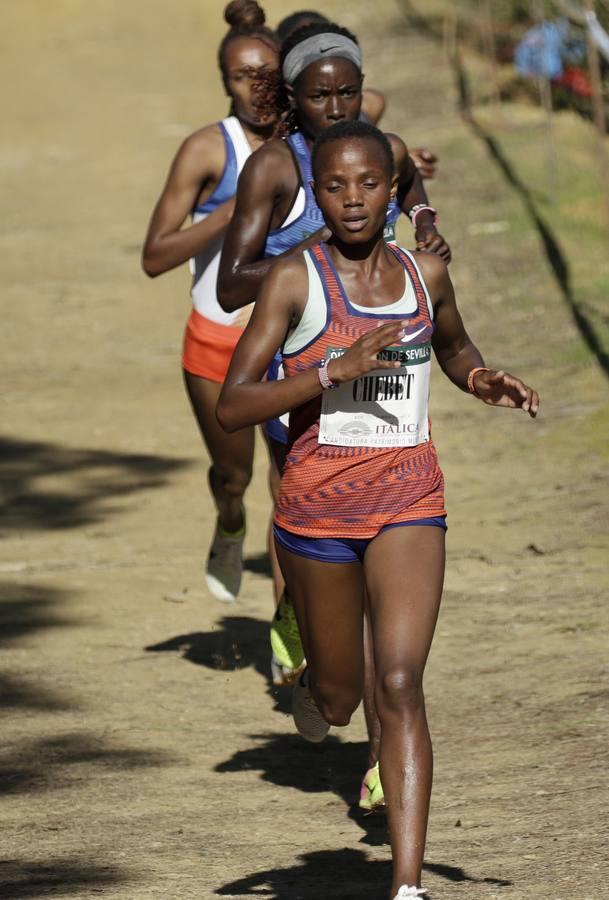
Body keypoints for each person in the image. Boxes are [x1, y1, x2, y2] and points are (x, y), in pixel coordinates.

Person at [217, 120, 539, 899]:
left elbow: (454, 345)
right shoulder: (294, 279)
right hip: (318, 511)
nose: (353, 199)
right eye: (334, 185)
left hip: (407, 497)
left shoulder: (424, 274)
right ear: (316, 195)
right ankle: (311, 684)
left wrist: (479, 378)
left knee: (397, 683)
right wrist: (332, 369)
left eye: (369, 183)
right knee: (340, 697)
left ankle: (405, 886)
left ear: (393, 192)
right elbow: (234, 406)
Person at [216, 15, 450, 778]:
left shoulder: (369, 149)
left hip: (388, 426)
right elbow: (230, 280)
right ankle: (317, 661)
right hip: (303, 383)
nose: (336, 106)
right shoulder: (277, 170)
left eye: (348, 91)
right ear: (293, 97)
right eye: (319, 96)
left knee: (398, 650)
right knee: (333, 606)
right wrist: (309, 275)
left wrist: (418, 221)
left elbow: (408, 192)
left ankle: (387, 772)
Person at [141, 0, 281, 603]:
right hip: (218, 338)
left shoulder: (307, 145)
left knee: (292, 484)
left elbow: (369, 104)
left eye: (265, 75)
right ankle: (229, 520)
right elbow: (155, 255)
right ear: (223, 82)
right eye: (239, 77)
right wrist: (229, 214)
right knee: (236, 474)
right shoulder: (209, 149)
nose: (254, 88)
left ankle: (290, 619)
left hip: (288, 340)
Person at [275, 9, 439, 178]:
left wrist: (404, 165)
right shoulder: (273, 143)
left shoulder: (369, 106)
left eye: (328, 42)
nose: (336, 110)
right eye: (318, 96)